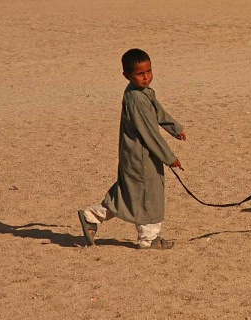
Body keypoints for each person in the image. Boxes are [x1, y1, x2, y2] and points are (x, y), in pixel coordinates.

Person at [78, 48, 186, 249]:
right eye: (140, 73)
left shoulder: (144, 93)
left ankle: (91, 216)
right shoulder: (136, 99)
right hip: (141, 155)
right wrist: (169, 157)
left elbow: (159, 113)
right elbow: (149, 133)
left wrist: (174, 128)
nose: (146, 77)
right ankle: (148, 239)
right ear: (126, 75)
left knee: (130, 192)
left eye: (149, 71)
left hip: (138, 154)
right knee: (147, 194)